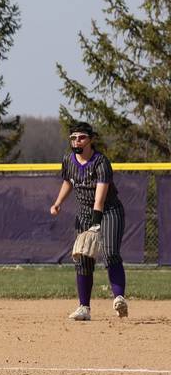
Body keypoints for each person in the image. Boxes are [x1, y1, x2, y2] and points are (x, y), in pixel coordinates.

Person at [50, 122, 128, 321]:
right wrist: (58, 202)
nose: (77, 141)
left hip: (109, 211)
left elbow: (100, 199)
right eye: (74, 137)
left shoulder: (100, 162)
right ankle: (84, 307)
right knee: (83, 258)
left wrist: (96, 223)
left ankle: (119, 298)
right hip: (84, 213)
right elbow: (68, 181)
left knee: (110, 253)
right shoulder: (68, 160)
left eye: (82, 137)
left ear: (91, 139)